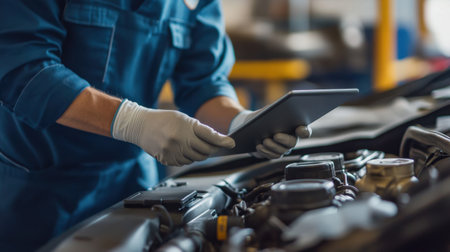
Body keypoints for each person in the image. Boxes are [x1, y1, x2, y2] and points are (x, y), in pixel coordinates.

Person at [0, 0, 311, 251]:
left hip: (134, 187)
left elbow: (204, 84)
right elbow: (25, 69)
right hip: (37, 194)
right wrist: (131, 122)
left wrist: (242, 122)